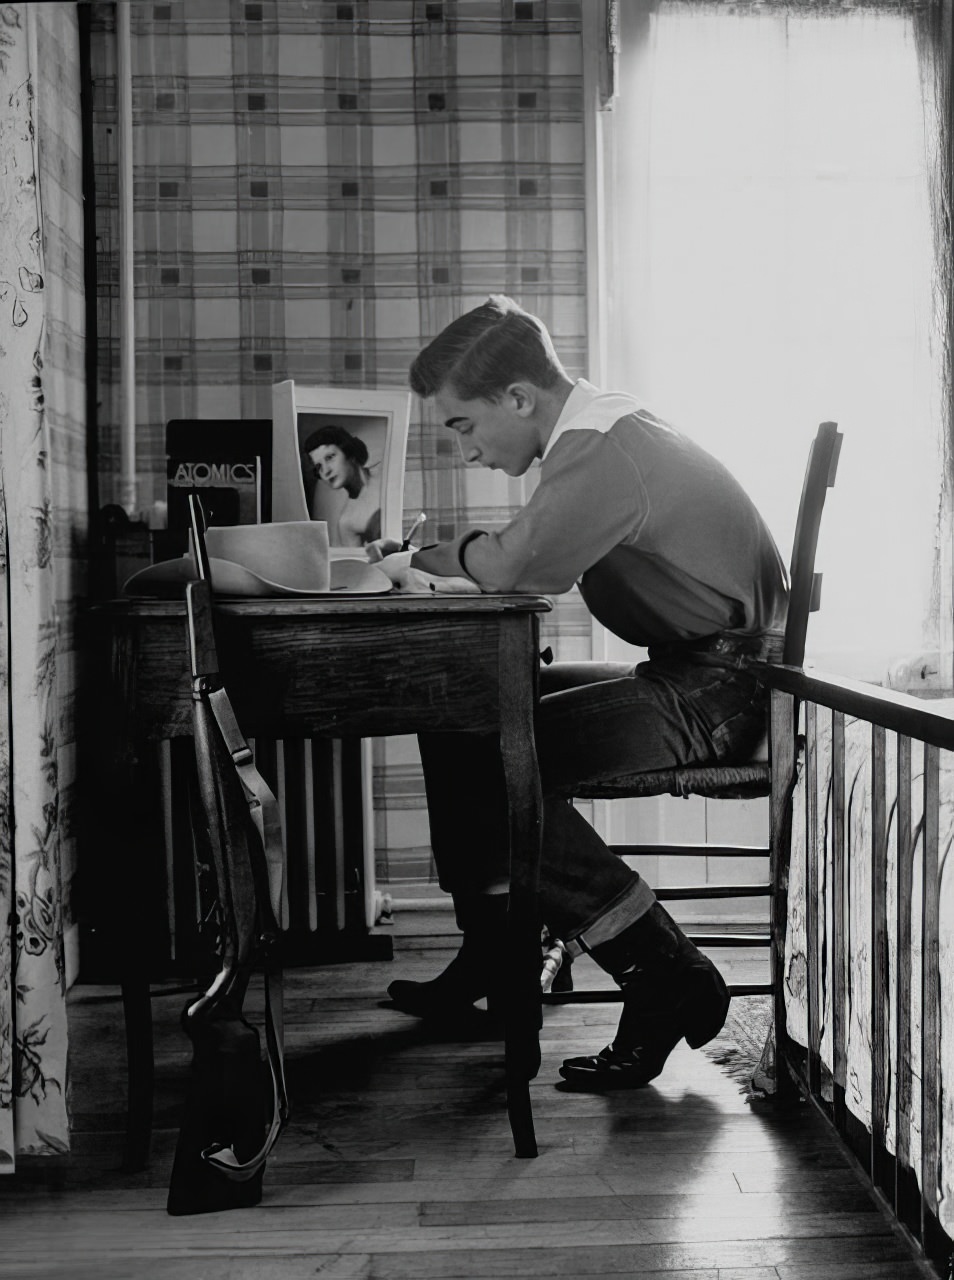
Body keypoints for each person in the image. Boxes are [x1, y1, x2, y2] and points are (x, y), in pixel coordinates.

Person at [370, 295, 788, 1092]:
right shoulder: (600, 431)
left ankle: (663, 971)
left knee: (502, 762)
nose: (466, 451)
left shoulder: (601, 446)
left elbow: (514, 566)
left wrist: (423, 557)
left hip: (723, 689)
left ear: (519, 398)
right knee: (462, 715)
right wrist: (432, 556)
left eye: (463, 426)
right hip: (698, 670)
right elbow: (512, 556)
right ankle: (500, 953)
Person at [304, 424, 382, 546]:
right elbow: (357, 564)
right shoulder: (347, 523)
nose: (325, 471)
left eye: (330, 457)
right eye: (318, 466)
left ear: (349, 452)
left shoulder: (386, 474)